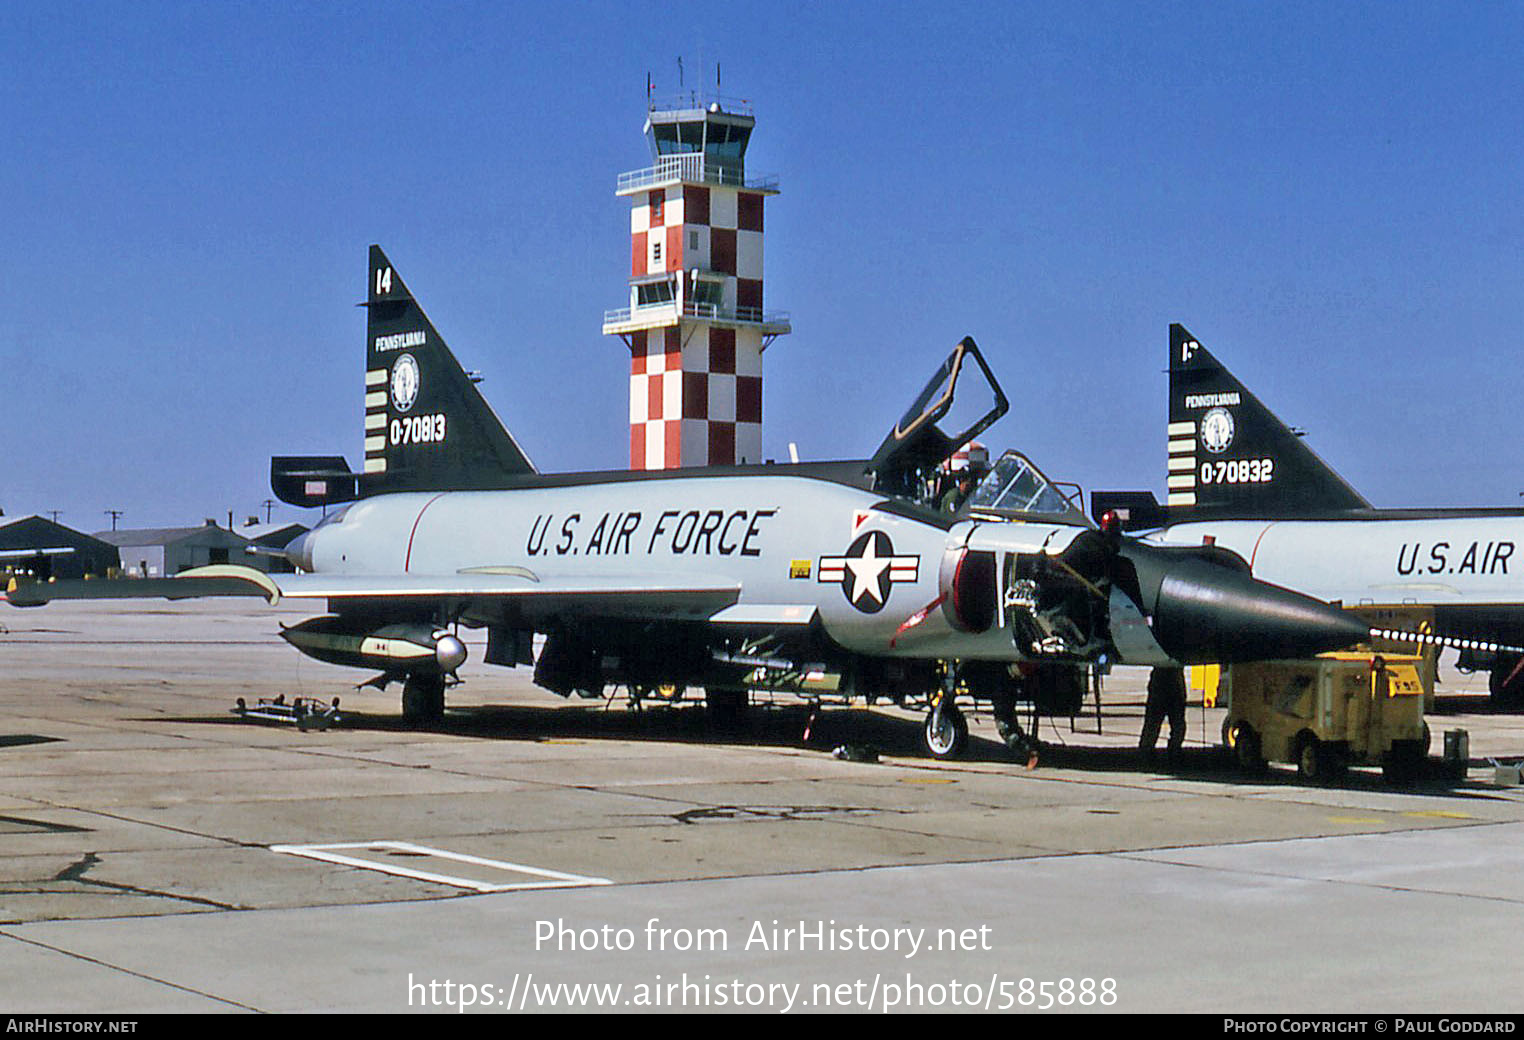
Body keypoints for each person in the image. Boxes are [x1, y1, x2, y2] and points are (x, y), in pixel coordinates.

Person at [1140, 666, 1187, 759]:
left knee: (1175, 724)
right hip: (1167, 683)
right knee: (1154, 723)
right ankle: (1147, 750)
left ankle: (1172, 750)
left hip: (1169, 683)